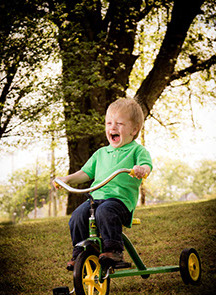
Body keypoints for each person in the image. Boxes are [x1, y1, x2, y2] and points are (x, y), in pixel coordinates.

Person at [54, 98, 153, 270]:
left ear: (134, 129)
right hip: (95, 198)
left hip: (119, 202)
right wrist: (67, 179)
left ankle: (113, 250)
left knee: (105, 211)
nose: (112, 128)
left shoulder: (137, 150)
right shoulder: (100, 153)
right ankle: (81, 252)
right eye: (108, 123)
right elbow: (85, 173)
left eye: (119, 123)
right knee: (77, 216)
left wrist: (141, 169)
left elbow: (147, 166)